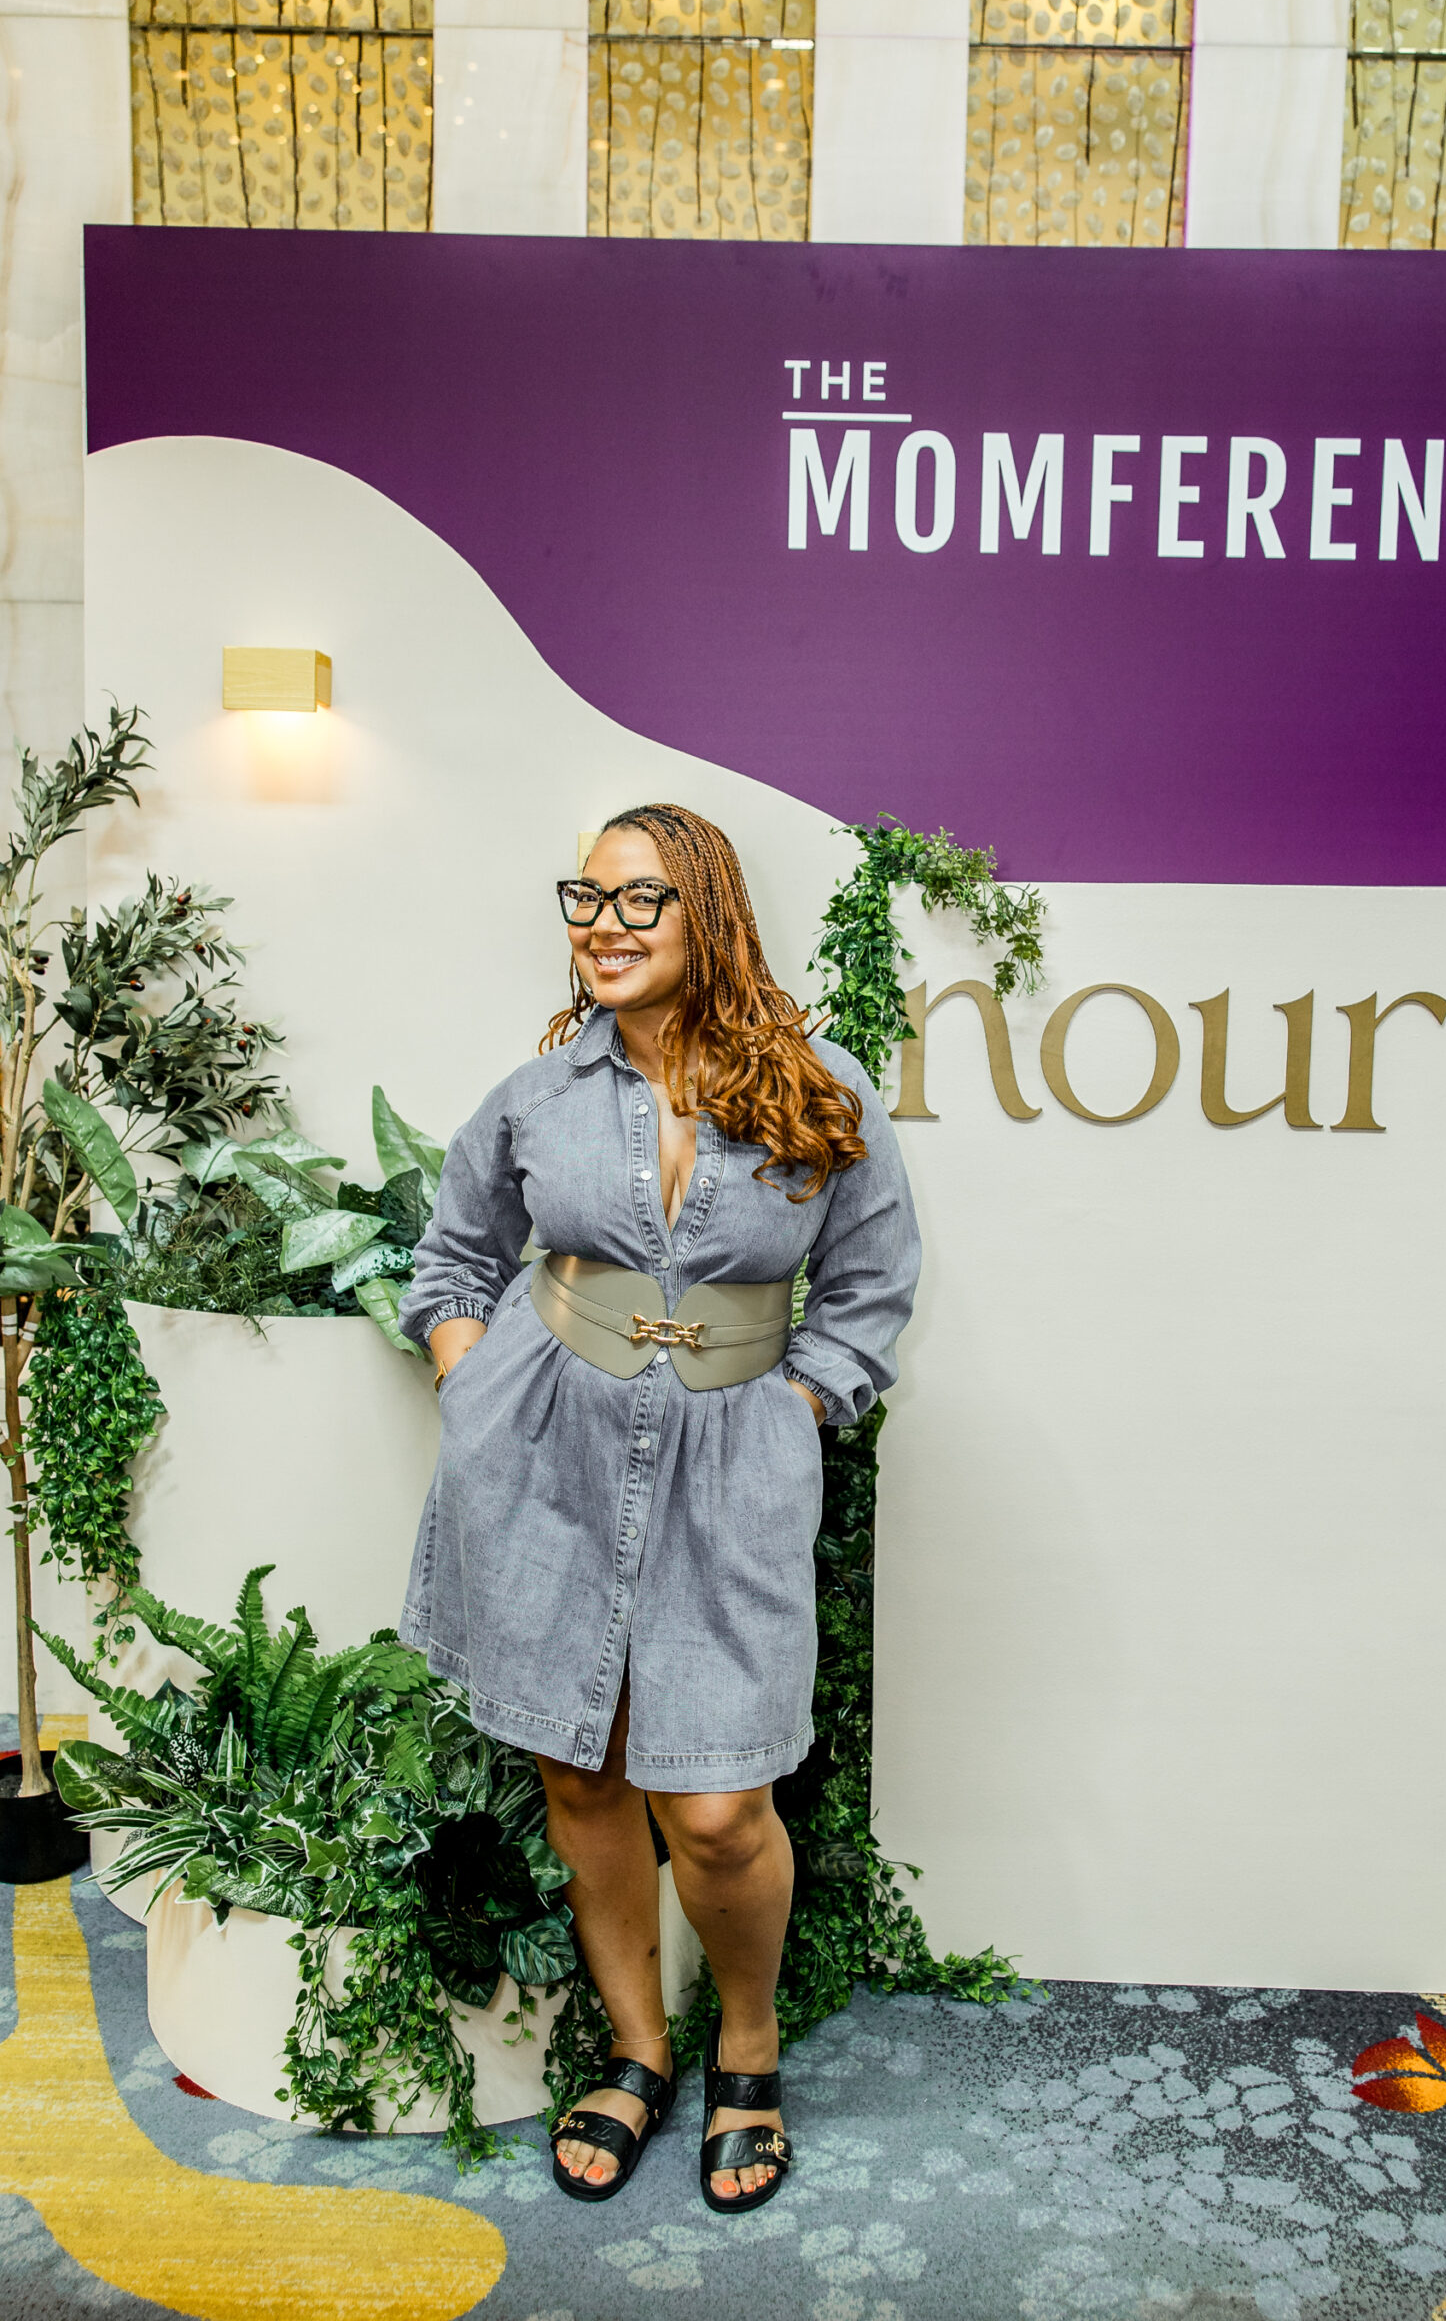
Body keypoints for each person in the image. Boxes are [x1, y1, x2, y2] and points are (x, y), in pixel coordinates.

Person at [398, 801, 921, 2212]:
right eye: (587, 897)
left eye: (640, 900)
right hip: (547, 1461)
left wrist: (795, 1408)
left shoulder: (821, 1090)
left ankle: (745, 2047)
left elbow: (871, 1289)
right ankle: (636, 2048)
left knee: (722, 1809)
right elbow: (452, 1260)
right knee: (583, 1773)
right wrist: (473, 1382)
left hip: (731, 1470)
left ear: (710, 912)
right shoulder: (539, 1096)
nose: (604, 925)